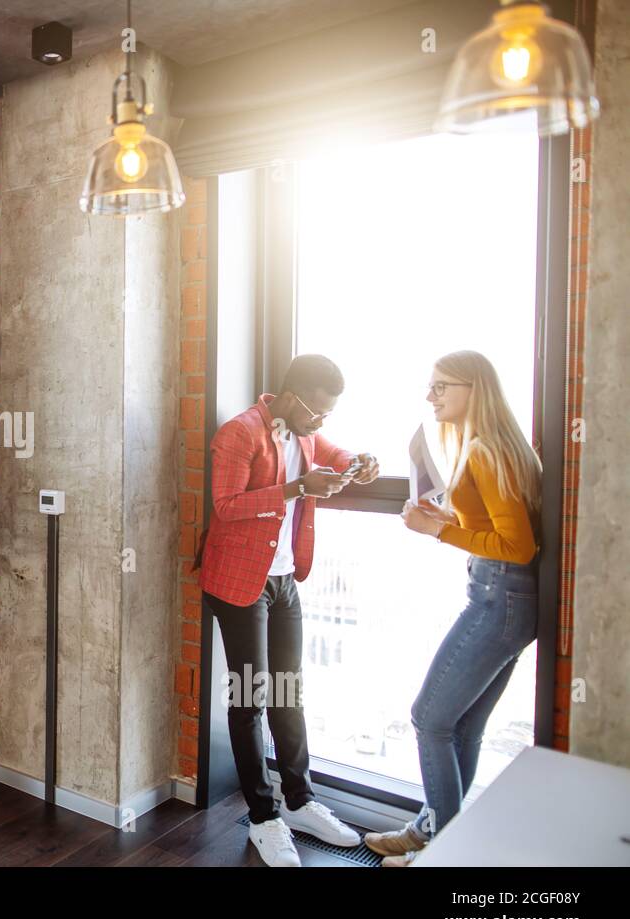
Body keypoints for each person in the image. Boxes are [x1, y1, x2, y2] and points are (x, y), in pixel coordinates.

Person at [199, 354, 381, 867]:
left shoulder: (304, 433)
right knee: (250, 698)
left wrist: (356, 462)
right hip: (240, 583)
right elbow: (227, 505)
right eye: (317, 413)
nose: (321, 424)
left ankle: (300, 801)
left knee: (288, 691)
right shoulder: (242, 432)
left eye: (327, 416)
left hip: (283, 582)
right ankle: (263, 817)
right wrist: (298, 487)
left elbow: (336, 452)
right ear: (293, 397)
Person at [366, 350, 540, 867]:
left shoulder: (486, 450)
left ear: (473, 389)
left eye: (441, 387)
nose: (430, 396)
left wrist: (439, 529)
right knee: (460, 724)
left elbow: (519, 547)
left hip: (498, 597)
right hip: (505, 597)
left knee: (428, 717)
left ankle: (441, 846)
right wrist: (449, 514)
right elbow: (496, 524)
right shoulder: (492, 446)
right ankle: (433, 830)